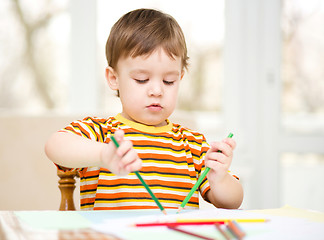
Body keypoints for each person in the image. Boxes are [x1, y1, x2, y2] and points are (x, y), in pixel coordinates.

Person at [45, 8, 243, 211]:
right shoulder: (102, 133)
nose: (157, 90)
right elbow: (54, 145)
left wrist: (220, 178)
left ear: (180, 79)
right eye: (142, 79)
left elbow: (233, 201)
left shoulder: (192, 144)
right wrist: (103, 154)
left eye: (169, 81)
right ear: (114, 79)